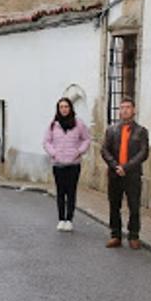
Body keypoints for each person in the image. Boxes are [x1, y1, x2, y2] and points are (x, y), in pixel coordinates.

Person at [100, 98, 150, 249]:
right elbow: (104, 150)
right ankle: (115, 234)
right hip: (115, 174)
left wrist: (126, 167)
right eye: (122, 107)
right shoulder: (112, 130)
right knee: (114, 204)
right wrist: (115, 166)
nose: (125, 110)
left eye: (128, 107)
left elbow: (143, 152)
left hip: (132, 174)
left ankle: (133, 235)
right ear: (119, 111)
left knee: (134, 205)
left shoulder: (141, 131)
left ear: (134, 110)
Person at [42, 98, 91, 232]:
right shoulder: (53, 125)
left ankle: (69, 219)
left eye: (66, 107)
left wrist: (79, 151)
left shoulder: (78, 123)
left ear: (70, 108)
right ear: (58, 109)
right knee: (60, 192)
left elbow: (86, 139)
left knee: (71, 192)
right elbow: (46, 141)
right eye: (61, 107)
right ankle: (61, 219)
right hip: (58, 164)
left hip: (73, 164)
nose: (64, 109)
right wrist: (53, 153)